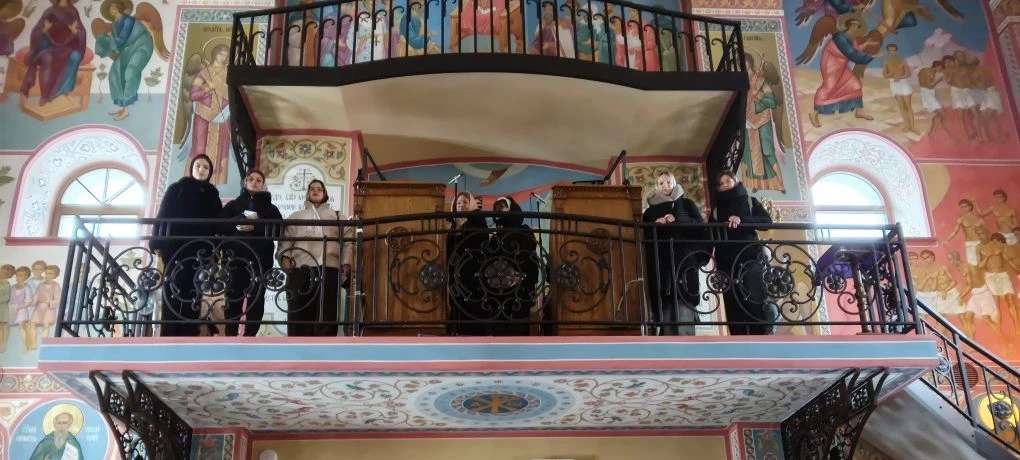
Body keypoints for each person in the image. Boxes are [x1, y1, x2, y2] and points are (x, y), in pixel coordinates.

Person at [150, 154, 223, 336]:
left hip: (200, 251)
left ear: (210, 172)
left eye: (206, 167)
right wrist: (157, 241)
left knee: (194, 291)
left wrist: (216, 249)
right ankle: (169, 333)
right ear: (192, 168)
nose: (201, 170)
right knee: (172, 288)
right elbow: (163, 215)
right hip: (176, 247)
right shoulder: (177, 188)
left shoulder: (213, 194)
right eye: (198, 166)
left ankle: (189, 332)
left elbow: (218, 224)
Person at [277, 180, 352, 337]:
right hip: (299, 269)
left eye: (319, 189)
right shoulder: (295, 216)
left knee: (326, 311)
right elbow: (286, 240)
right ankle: (298, 347)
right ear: (307, 193)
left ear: (325, 194)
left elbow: (348, 241)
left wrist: (346, 263)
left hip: (329, 268)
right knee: (298, 309)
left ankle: (325, 349)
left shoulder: (338, 216)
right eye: (312, 189)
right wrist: (284, 257)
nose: (316, 191)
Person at [219, 169, 282, 336]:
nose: (254, 182)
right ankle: (230, 337)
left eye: (259, 180)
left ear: (263, 185)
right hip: (235, 258)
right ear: (245, 182)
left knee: (257, 299)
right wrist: (238, 221)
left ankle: (250, 337)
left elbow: (278, 230)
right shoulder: (233, 205)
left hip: (261, 259)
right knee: (233, 298)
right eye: (251, 179)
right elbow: (220, 226)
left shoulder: (271, 209)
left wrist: (256, 225)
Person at [641, 171, 705, 335]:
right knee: (665, 306)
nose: (665, 186)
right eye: (661, 183)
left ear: (675, 183)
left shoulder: (687, 204)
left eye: (668, 182)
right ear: (657, 186)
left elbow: (700, 226)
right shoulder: (650, 212)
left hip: (685, 259)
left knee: (685, 305)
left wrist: (678, 220)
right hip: (661, 262)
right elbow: (644, 236)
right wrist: (655, 225)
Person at [711, 171, 774, 335]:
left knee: (755, 300)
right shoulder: (717, 210)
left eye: (728, 181)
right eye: (721, 183)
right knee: (733, 305)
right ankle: (738, 342)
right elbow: (710, 235)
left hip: (751, 259)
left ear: (736, 181)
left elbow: (767, 222)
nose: (724, 185)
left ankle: (762, 340)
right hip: (726, 262)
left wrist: (742, 220)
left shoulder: (750, 201)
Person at [482, 196, 537, 335]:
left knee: (518, 326)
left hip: (520, 286)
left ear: (512, 208)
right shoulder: (496, 235)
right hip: (498, 287)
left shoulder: (524, 230)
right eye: (496, 208)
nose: (499, 210)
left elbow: (529, 258)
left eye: (502, 206)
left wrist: (521, 277)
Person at [446, 192, 489, 335]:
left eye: (465, 202)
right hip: (456, 271)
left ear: (471, 204)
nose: (461, 206)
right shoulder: (453, 224)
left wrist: (464, 225)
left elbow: (481, 240)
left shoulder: (478, 220)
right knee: (456, 303)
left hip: (473, 271)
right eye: (458, 203)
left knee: (472, 304)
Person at [883, 44, 916, 133]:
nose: (892, 52)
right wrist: (896, 73)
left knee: (908, 106)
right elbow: (885, 75)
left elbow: (908, 73)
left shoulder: (902, 60)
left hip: (904, 83)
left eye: (894, 50)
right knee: (901, 106)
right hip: (894, 84)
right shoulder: (886, 61)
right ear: (888, 52)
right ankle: (907, 126)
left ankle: (912, 127)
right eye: (890, 50)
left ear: (896, 51)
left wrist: (900, 77)